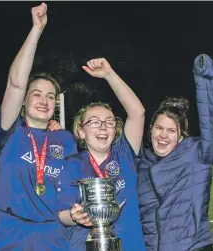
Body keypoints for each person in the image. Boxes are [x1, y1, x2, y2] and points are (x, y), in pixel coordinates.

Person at [0, 3, 78, 250]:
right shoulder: (9, 130)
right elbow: (15, 83)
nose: (44, 100)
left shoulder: (65, 140)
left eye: (50, 96)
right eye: (36, 94)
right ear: (24, 100)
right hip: (11, 233)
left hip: (53, 235)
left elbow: (70, 191)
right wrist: (37, 29)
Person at [136, 54, 213, 251]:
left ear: (181, 136)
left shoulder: (195, 154)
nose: (163, 135)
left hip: (192, 247)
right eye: (159, 128)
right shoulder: (140, 163)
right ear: (151, 129)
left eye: (171, 130)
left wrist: (208, 80)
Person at [57, 58, 146, 251]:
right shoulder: (68, 166)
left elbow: (137, 112)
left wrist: (109, 75)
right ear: (80, 131)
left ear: (116, 130)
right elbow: (60, 215)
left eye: (109, 122)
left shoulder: (124, 155)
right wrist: (73, 217)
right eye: (95, 122)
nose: (103, 127)